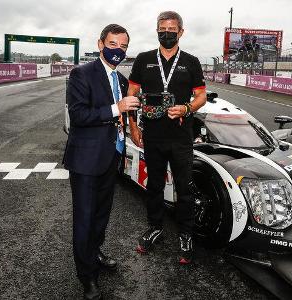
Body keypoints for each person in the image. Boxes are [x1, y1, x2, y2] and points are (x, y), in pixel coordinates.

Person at [63, 24, 140, 300]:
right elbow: (79, 116)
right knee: (84, 219)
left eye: (123, 46)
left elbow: (121, 118)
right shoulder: (81, 74)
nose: (117, 50)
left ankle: (94, 254)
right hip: (85, 161)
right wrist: (115, 109)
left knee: (101, 215)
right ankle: (87, 277)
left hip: (111, 158)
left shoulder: (120, 81)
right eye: (112, 44)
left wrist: (131, 121)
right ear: (100, 44)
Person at [127, 11, 207, 264]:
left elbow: (201, 97)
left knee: (184, 188)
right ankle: (155, 227)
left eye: (172, 29)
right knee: (154, 186)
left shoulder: (192, 61)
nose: (167, 33)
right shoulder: (143, 59)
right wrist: (134, 127)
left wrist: (186, 108)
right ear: (157, 30)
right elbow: (131, 96)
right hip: (153, 135)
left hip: (182, 137)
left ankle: (186, 233)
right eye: (163, 28)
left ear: (181, 32)